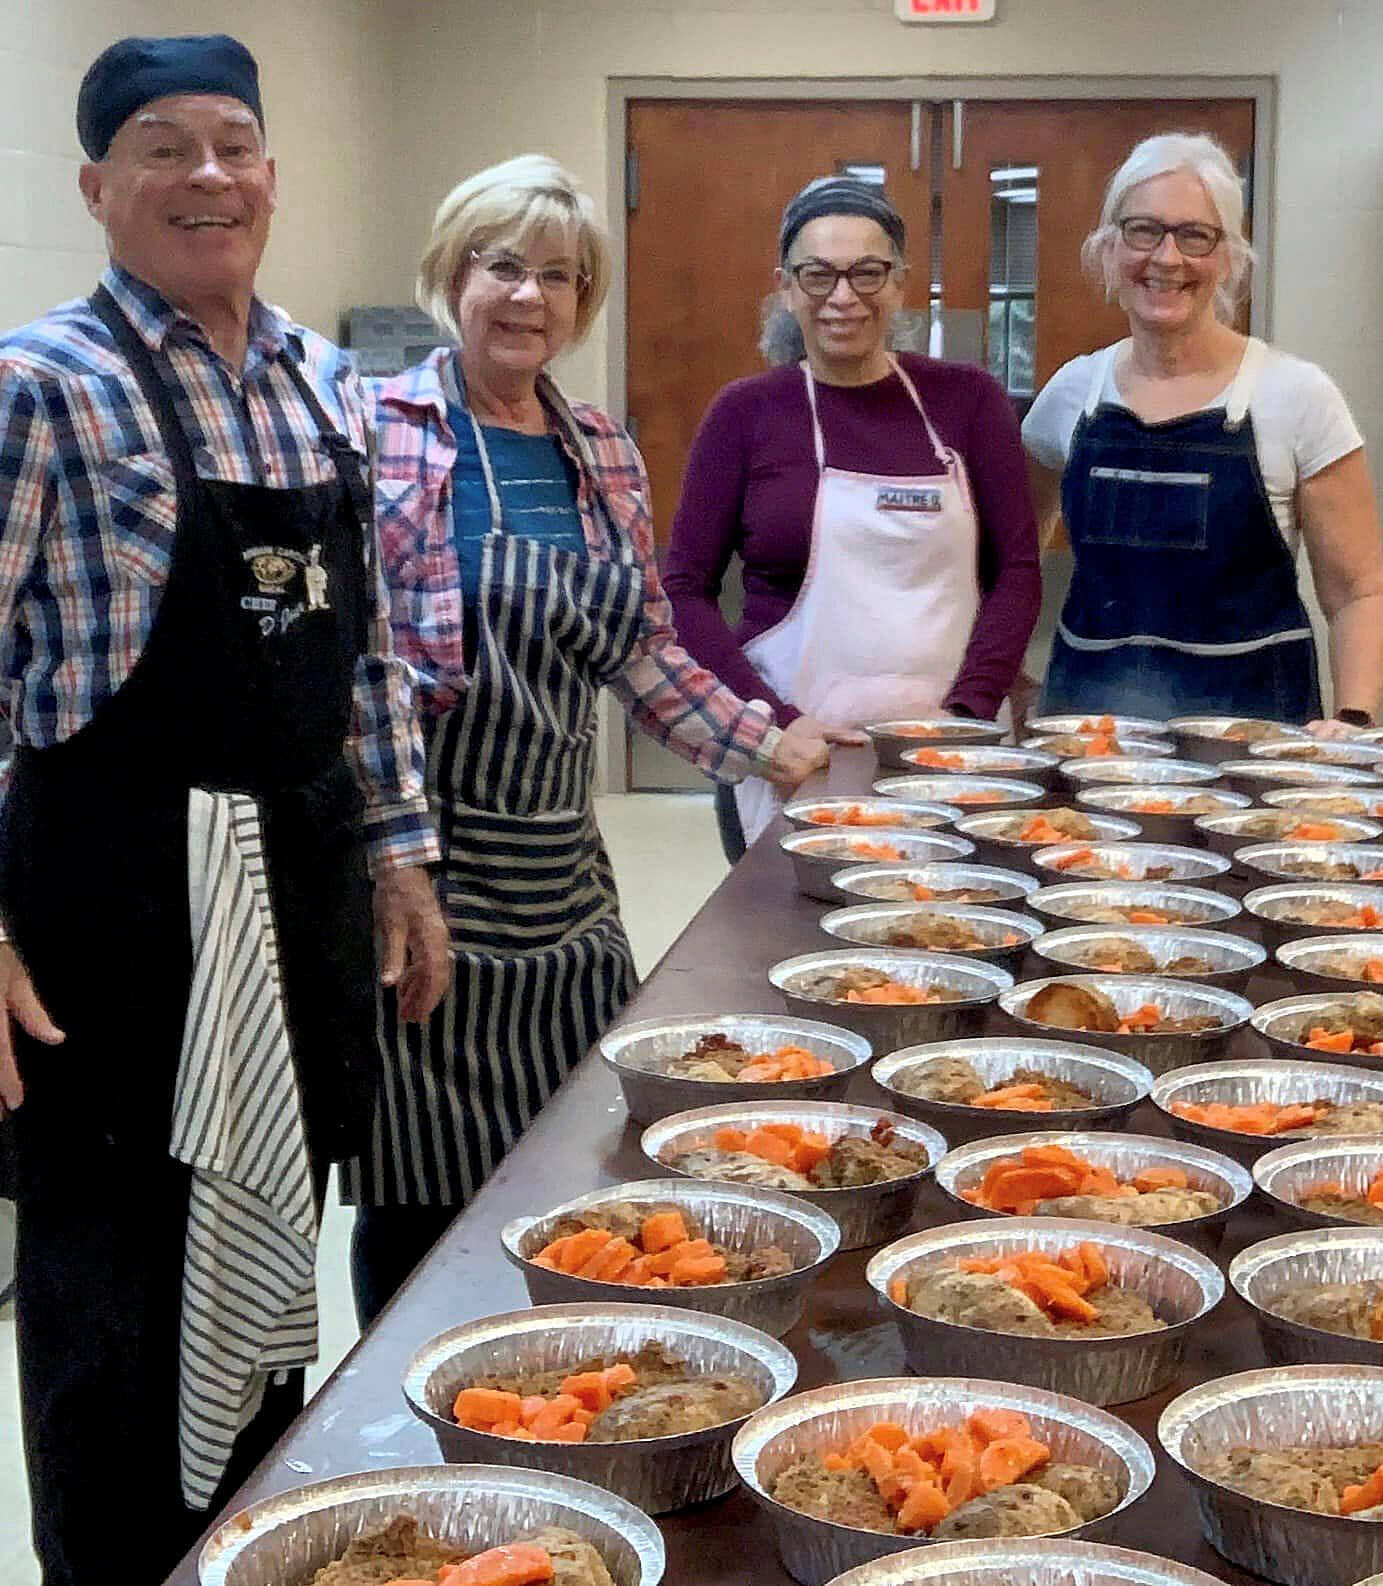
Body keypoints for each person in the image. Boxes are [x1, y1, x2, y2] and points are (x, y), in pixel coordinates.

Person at [0, 35, 449, 1585]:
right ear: (95, 185)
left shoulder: (326, 380)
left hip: (301, 876)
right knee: (113, 1292)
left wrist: (401, 857)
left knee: (266, 1252)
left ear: (270, 172)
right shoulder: (40, 386)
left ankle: (249, 1548)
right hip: (109, 904)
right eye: (163, 146)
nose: (208, 175)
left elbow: (368, 651)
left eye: (233, 145)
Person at [344, 155, 828, 1320]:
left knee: (573, 1165)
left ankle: (544, 1371)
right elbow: (354, 664)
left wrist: (770, 744)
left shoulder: (600, 447)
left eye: (559, 276)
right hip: (429, 867)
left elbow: (642, 650)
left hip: (564, 873)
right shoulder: (374, 430)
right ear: (450, 276)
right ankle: (402, 1391)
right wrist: (390, 860)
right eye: (503, 266)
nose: (530, 296)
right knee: (417, 1187)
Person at [663, 176, 1042, 860]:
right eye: (819, 275)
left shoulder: (968, 401)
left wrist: (967, 714)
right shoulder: (746, 413)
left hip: (953, 751)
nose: (843, 297)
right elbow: (683, 589)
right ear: (786, 287)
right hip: (793, 754)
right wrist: (770, 724)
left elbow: (1016, 571)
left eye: (867, 273)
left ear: (899, 284)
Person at [1020, 132, 1383, 733]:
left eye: (1194, 235)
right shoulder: (1071, 394)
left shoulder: (1298, 397)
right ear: (1110, 248)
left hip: (1253, 743)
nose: (1167, 258)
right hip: (1091, 738)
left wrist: (1352, 719)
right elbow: (1015, 560)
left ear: (1228, 258)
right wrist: (1007, 672)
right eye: (1144, 230)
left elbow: (1358, 591)